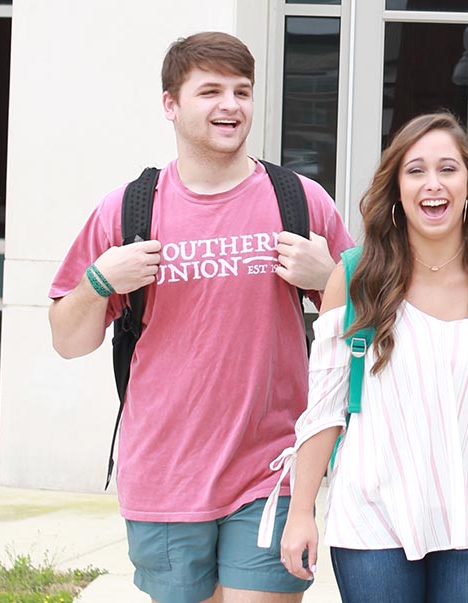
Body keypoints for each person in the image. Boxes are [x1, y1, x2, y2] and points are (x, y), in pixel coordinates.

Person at [47, 32, 353, 603]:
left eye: (241, 91)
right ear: (171, 104)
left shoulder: (301, 201)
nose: (230, 105)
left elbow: (365, 326)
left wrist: (327, 277)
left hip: (273, 468)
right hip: (165, 476)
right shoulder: (128, 209)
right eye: (210, 90)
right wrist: (100, 281)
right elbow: (67, 339)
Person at [273, 112, 468, 603]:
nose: (432, 184)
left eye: (447, 169)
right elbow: (324, 411)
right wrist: (301, 511)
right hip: (374, 513)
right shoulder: (355, 278)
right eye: (415, 170)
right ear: (396, 188)